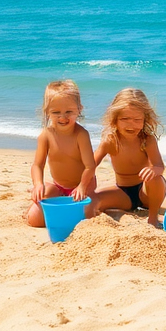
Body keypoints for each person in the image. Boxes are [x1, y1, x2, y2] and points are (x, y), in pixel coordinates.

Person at [89, 88, 166, 226]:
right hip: (123, 193)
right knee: (93, 199)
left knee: (155, 177)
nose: (131, 124)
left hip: (148, 193)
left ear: (145, 119)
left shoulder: (147, 140)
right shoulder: (110, 141)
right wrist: (81, 185)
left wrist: (154, 170)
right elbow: (89, 166)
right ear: (115, 119)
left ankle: (153, 218)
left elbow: (159, 166)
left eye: (137, 119)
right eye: (125, 119)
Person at [25, 79, 97, 227]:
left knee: (86, 217)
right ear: (47, 112)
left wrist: (82, 186)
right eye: (56, 112)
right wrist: (38, 184)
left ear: (79, 109)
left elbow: (90, 166)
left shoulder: (81, 135)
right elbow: (37, 165)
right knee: (34, 221)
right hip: (58, 186)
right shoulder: (46, 135)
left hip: (84, 184)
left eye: (69, 112)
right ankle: (40, 200)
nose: (63, 117)